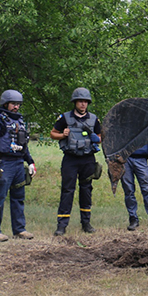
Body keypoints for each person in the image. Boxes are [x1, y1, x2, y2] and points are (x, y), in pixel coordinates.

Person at [0, 90, 36, 241]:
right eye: (13, 104)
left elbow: (24, 144)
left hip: (19, 163)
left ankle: (19, 229)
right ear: (6, 104)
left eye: (18, 104)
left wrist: (30, 161)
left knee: (18, 197)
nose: (16, 107)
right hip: (4, 163)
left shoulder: (20, 121)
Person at [50, 87, 102, 236]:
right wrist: (62, 135)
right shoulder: (65, 118)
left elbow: (100, 137)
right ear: (75, 102)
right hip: (70, 159)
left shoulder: (93, 119)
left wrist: (97, 139)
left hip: (88, 159)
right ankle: (62, 225)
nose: (83, 104)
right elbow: (53, 133)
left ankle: (86, 223)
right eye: (80, 101)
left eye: (85, 101)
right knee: (67, 190)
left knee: (86, 190)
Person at [121, 142, 148, 232]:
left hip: (141, 160)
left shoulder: (145, 128)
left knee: (147, 190)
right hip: (125, 159)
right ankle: (133, 219)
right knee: (128, 190)